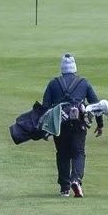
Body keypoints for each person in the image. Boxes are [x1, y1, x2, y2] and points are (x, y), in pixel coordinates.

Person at [42, 53, 98, 197]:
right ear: (74, 68)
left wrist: (44, 130)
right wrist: (101, 124)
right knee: (78, 153)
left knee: (62, 155)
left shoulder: (53, 83)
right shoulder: (83, 82)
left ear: (62, 68)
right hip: (79, 124)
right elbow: (95, 105)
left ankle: (64, 188)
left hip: (59, 124)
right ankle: (76, 179)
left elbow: (45, 107)